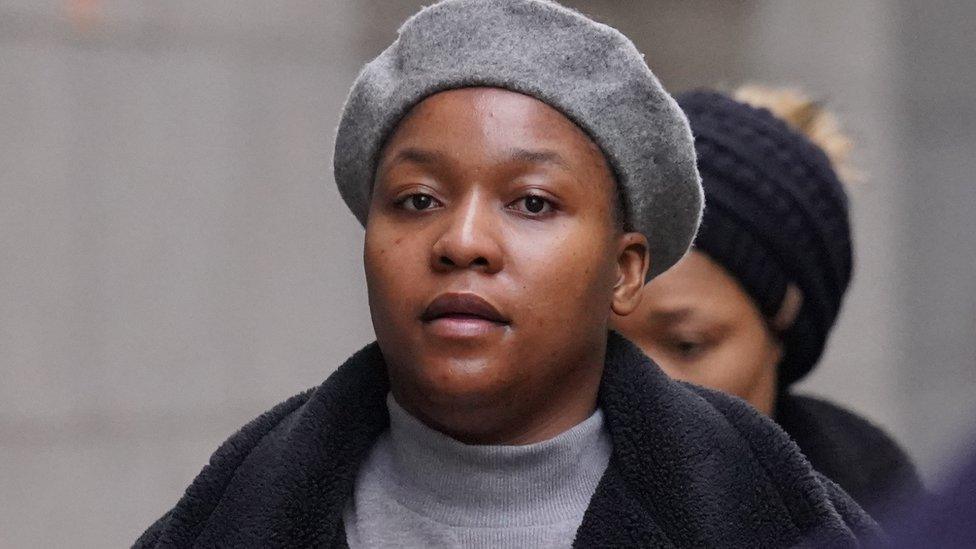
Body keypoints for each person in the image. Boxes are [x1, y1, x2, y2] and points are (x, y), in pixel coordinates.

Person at [135, 2, 879, 547]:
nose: (462, 241)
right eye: (417, 199)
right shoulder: (226, 522)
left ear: (625, 272)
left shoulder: (782, 523)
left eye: (531, 202)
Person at [612, 85, 924, 525]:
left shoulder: (872, 495)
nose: (636, 383)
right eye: (603, 345)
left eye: (686, 345)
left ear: (781, 329)